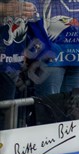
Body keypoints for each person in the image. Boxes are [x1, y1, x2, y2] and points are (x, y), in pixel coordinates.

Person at [0, 0, 37, 129]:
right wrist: (4, 9)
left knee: (6, 113)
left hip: (12, 59)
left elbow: (37, 10)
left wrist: (32, 9)